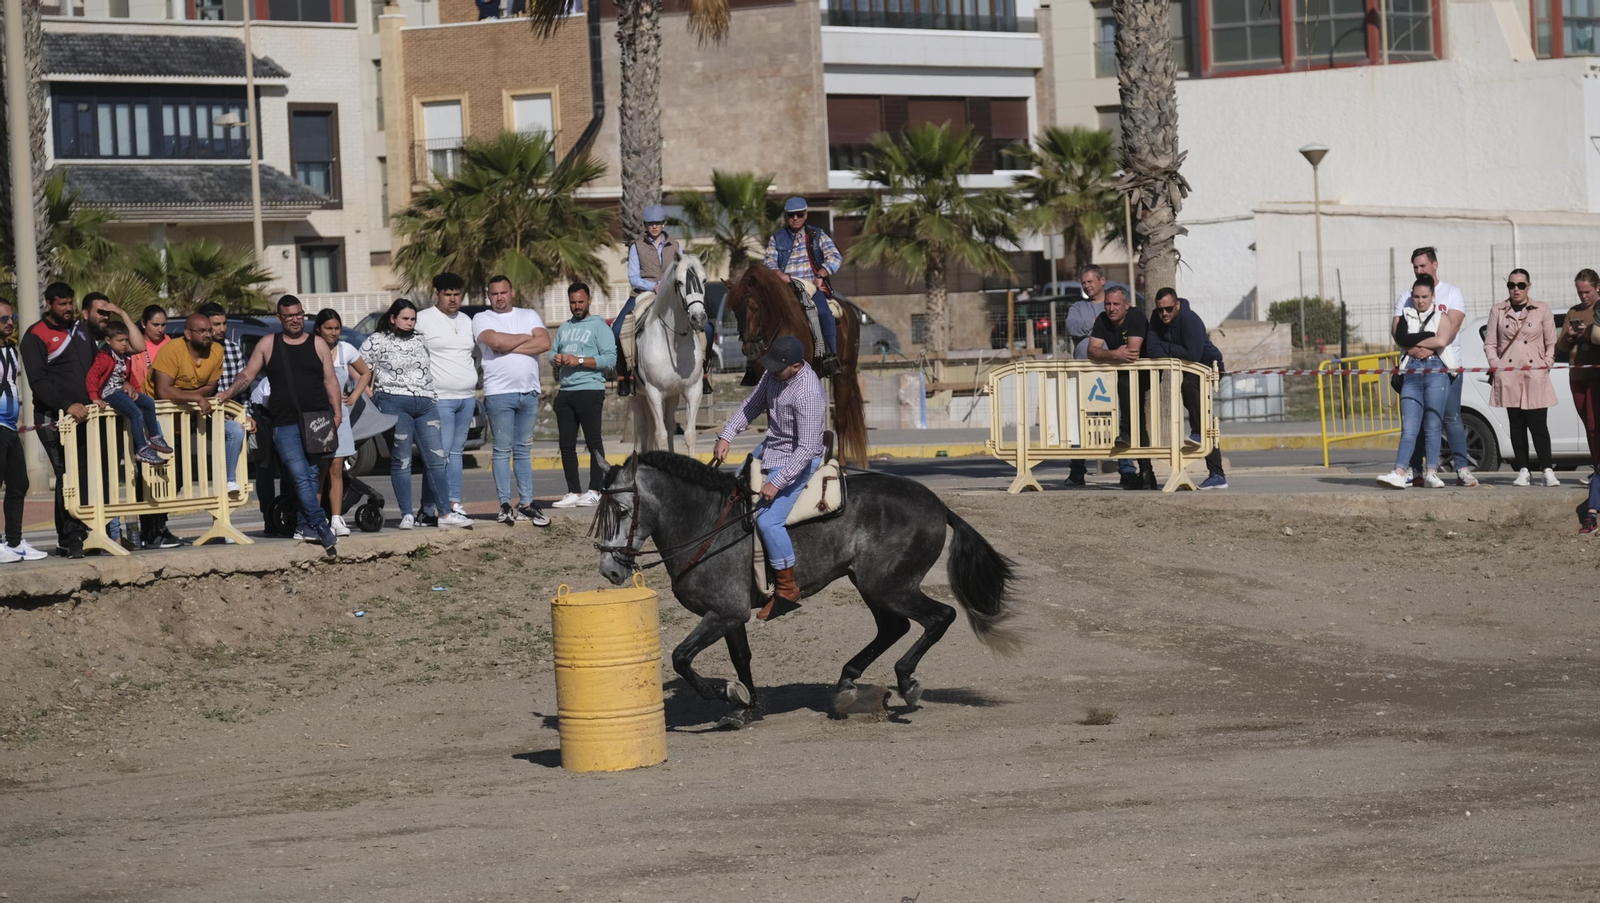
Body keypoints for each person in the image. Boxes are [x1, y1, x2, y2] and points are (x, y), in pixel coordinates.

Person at [711, 335, 826, 622]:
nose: (771, 371)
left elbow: (808, 447)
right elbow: (751, 406)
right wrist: (727, 435)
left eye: (778, 367)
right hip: (771, 448)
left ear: (797, 366)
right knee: (735, 492)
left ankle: (787, 589)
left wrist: (777, 482)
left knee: (768, 520)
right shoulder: (775, 376)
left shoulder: (808, 392)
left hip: (797, 458)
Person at [220, 296, 342, 555]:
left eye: (299, 314)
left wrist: (338, 414)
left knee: (310, 476)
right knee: (298, 476)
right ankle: (321, 525)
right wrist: (227, 393)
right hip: (283, 422)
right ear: (280, 318)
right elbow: (247, 375)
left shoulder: (317, 343)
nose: (295, 319)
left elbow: (330, 381)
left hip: (317, 420)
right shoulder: (268, 343)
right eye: (289, 316)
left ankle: (302, 524)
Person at [358, 299, 456, 530]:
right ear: (393, 318)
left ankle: (444, 513)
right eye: (405, 318)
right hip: (393, 402)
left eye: (413, 319)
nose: (410, 323)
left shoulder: (421, 339)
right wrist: (370, 392)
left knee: (437, 459)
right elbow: (358, 367)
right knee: (402, 459)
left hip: (425, 404)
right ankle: (406, 515)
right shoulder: (378, 340)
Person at [20, 282, 100, 557]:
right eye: (62, 304)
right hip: (53, 418)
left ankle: (71, 533)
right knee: (66, 473)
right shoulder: (35, 336)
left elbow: (99, 363)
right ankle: (72, 536)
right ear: (49, 304)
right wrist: (67, 405)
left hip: (87, 415)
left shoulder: (81, 329)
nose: (68, 309)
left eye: (70, 303)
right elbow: (38, 382)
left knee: (83, 473)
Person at [471, 275, 552, 527]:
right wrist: (525, 339)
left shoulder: (528, 315)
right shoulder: (482, 318)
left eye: (503, 292)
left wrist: (508, 346)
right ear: (488, 295)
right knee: (502, 450)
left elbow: (545, 342)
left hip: (527, 392)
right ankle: (505, 504)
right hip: (499, 393)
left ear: (512, 292)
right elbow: (494, 341)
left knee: (524, 450)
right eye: (494, 294)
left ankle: (527, 503)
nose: (499, 298)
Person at [1393, 247, 1476, 486]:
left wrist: (1427, 347)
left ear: (1435, 265)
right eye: (1415, 267)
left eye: (1423, 266)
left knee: (1450, 419)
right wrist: (1415, 347)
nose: (1419, 270)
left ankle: (1461, 468)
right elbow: (1398, 330)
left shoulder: (1452, 293)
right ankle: (1416, 470)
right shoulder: (1407, 296)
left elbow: (1450, 329)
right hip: (1413, 366)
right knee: (1415, 422)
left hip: (1446, 366)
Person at [150, 313, 248, 505]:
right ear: (188, 333)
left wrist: (184, 394)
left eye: (209, 331)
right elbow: (163, 391)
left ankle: (229, 482)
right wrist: (195, 396)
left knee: (234, 430)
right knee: (161, 478)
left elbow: (210, 387)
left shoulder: (217, 351)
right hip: (162, 419)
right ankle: (152, 531)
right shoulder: (171, 351)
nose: (208, 335)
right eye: (202, 331)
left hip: (193, 415)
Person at [1144, 287, 1228, 490]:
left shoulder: (1190, 320)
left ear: (1178, 305)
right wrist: (1168, 347)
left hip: (1208, 365)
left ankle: (1202, 439)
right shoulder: (1157, 319)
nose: (1164, 314)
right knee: (1193, 398)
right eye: (1160, 310)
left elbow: (1193, 354)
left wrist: (1166, 347)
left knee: (1190, 388)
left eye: (1169, 309)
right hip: (1188, 367)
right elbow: (1151, 349)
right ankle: (1216, 473)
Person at [1378, 275, 1453, 489]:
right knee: (1409, 426)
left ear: (1433, 296)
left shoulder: (1442, 316)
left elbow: (1441, 340)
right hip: (1410, 371)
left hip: (1436, 369)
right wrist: (1426, 338)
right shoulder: (1405, 316)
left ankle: (1431, 472)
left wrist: (1416, 340)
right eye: (1417, 296)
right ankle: (1399, 471)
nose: (1420, 301)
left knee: (1432, 424)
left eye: (1425, 296)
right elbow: (1401, 339)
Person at [1485, 269, 1559, 487]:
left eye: (1521, 285)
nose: (1516, 289)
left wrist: (1546, 363)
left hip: (1535, 373)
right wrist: (1495, 364)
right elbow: (1490, 343)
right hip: (1509, 374)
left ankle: (1547, 469)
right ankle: (1524, 470)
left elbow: (1551, 341)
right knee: (1516, 425)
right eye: (1511, 285)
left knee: (1538, 425)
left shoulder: (1541, 308)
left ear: (1529, 286)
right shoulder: (1498, 310)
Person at [414, 273, 477, 525]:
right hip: (439, 398)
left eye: (456, 294)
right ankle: (435, 507)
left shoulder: (467, 320)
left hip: (467, 398)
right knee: (440, 456)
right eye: (447, 294)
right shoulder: (423, 320)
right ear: (436, 294)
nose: (453, 299)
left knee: (456, 453)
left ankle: (449, 503)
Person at [550, 282, 616, 509]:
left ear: (589, 301)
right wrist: (556, 358)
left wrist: (578, 360)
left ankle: (596, 489)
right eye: (573, 302)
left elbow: (609, 359)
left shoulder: (599, 327)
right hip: (566, 391)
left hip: (590, 389)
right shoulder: (564, 327)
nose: (577, 306)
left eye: (580, 301)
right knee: (566, 445)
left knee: (593, 442)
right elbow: (552, 351)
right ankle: (573, 491)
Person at [763, 197, 842, 376]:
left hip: (811, 287)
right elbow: (768, 261)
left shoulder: (817, 234)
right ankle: (756, 361)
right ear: (787, 217)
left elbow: (835, 257)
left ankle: (830, 355)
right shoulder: (777, 238)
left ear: (806, 215)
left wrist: (820, 276)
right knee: (761, 314)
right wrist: (779, 275)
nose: (795, 218)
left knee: (823, 313)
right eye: (791, 215)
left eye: (799, 214)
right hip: (785, 288)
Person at [1087, 286, 1156, 490]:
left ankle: (1125, 432)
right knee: (1139, 422)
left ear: (1127, 305)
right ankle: (1146, 473)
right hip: (1121, 374)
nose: (1111, 308)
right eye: (1108, 304)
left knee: (1133, 411)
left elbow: (1132, 353)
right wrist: (1115, 354)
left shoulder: (1136, 317)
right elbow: (1092, 351)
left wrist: (1110, 354)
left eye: (1116, 304)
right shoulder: (1102, 320)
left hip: (1143, 372)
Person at [314, 309, 373, 537]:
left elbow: (365, 373)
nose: (333, 332)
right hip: (317, 418)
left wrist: (355, 396)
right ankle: (316, 518)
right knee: (320, 469)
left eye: (337, 328)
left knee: (337, 468)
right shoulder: (311, 349)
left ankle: (337, 519)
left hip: (341, 416)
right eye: (329, 328)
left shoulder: (346, 349)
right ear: (319, 328)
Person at [614, 205, 679, 397]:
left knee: (705, 327)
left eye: (658, 223)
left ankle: (703, 374)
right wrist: (654, 286)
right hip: (642, 293)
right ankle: (624, 377)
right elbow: (633, 277)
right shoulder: (637, 246)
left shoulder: (675, 246)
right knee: (616, 329)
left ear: (663, 224)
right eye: (651, 223)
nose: (655, 227)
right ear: (645, 225)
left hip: (671, 295)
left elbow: (681, 270)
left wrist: (668, 286)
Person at [87, 320, 173, 466]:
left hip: (121, 390)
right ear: (108, 341)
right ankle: (142, 448)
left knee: (148, 402)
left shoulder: (125, 357)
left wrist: (138, 393)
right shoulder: (104, 357)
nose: (124, 344)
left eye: (126, 340)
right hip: (110, 393)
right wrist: (94, 397)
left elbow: (129, 376)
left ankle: (154, 436)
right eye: (120, 340)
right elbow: (92, 377)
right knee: (136, 413)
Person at [0, 300, 45, 562]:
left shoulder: (12, 351)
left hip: (9, 426)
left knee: (19, 483)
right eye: (3, 318)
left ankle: (14, 543)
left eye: (11, 317)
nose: (9, 322)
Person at [1064, 265, 1109, 488]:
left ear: (1103, 281)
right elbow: (1072, 326)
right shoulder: (1078, 307)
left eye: (1090, 281)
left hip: (1112, 373)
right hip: (1084, 373)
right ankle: (1077, 471)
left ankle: (1129, 469)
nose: (1087, 286)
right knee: (1080, 422)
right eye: (1084, 282)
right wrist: (1097, 324)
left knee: (1119, 421)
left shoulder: (1113, 303)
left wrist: (1096, 327)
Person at [1557, 268, 1600, 484]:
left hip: (1596, 375)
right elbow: (1561, 345)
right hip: (1577, 375)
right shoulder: (1573, 312)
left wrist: (1591, 336)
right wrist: (1570, 335)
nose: (1583, 297)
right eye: (1580, 292)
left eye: (1587, 292)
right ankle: (1596, 468)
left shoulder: (1599, 310)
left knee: (1595, 425)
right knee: (1588, 425)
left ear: (1597, 288)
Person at [198, 302, 247, 396]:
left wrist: (246, 410)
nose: (222, 329)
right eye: (217, 324)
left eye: (224, 323)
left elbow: (243, 387)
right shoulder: (194, 350)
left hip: (231, 408)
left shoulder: (234, 350)